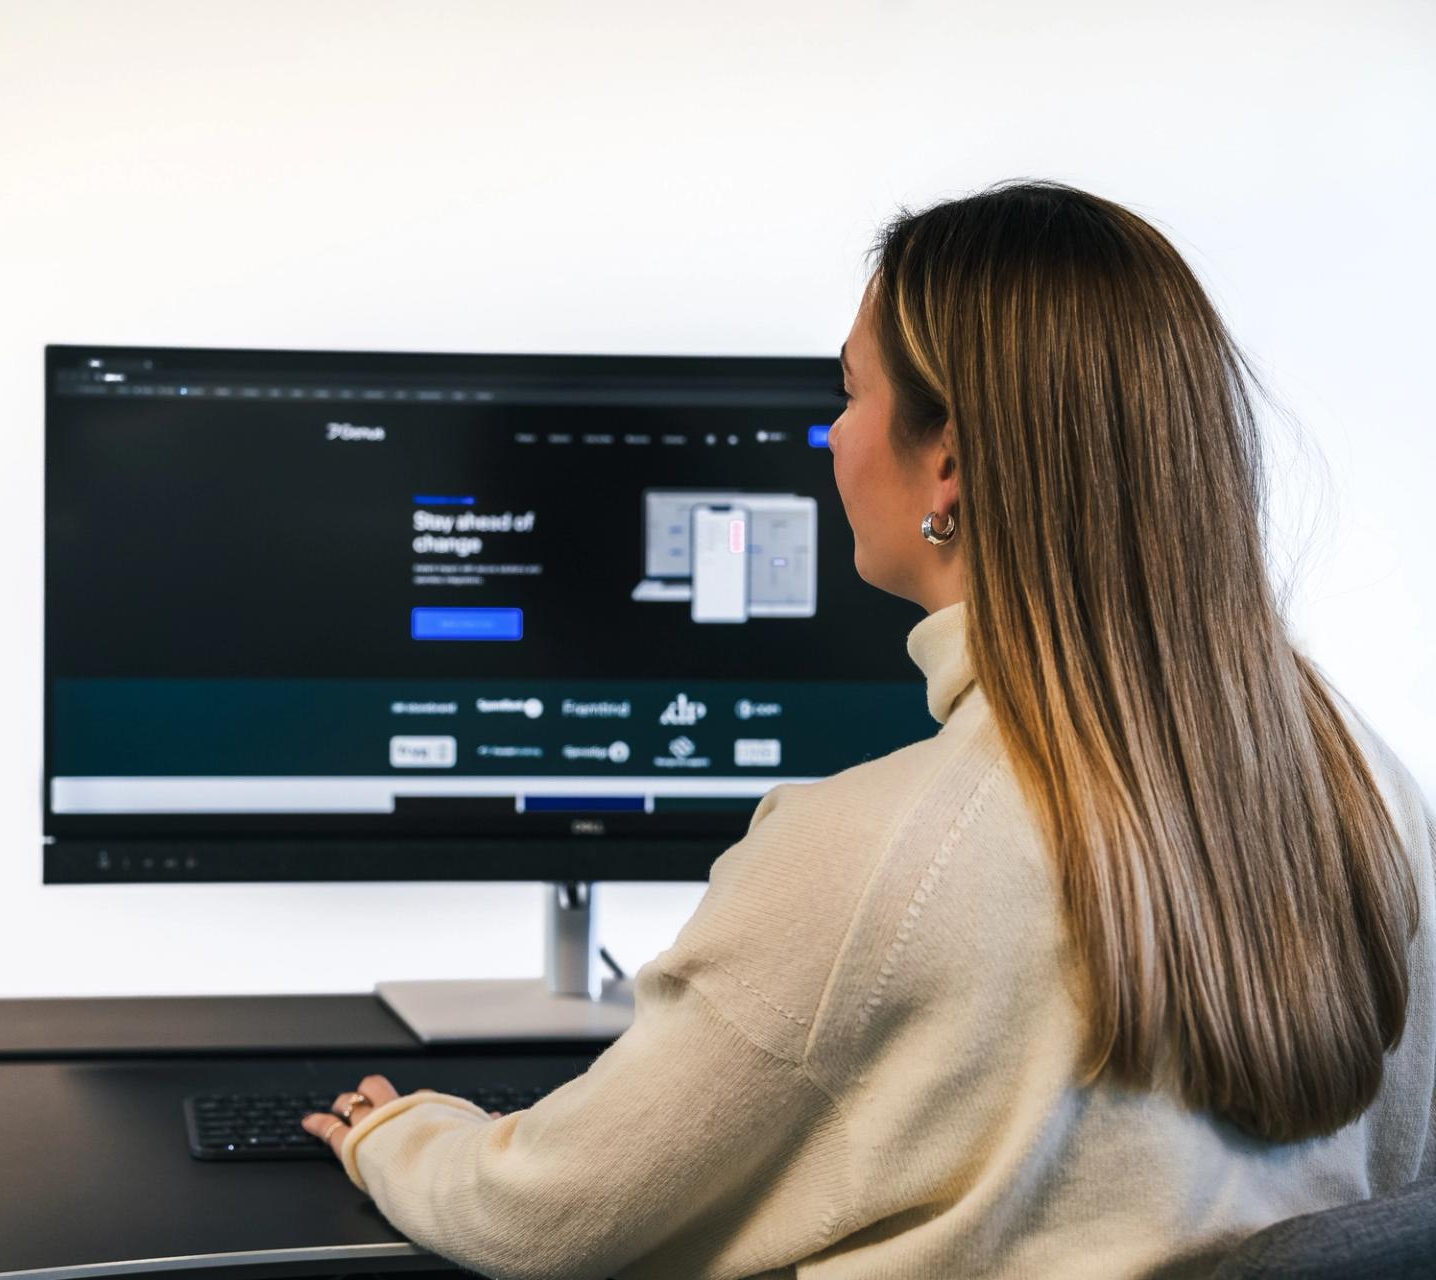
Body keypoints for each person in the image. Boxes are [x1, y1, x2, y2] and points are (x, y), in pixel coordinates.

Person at [299, 179, 1436, 1279]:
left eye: (849, 394)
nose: (832, 439)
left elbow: (545, 1214)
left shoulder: (875, 852)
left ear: (947, 461)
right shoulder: (1366, 784)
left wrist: (400, 1134)